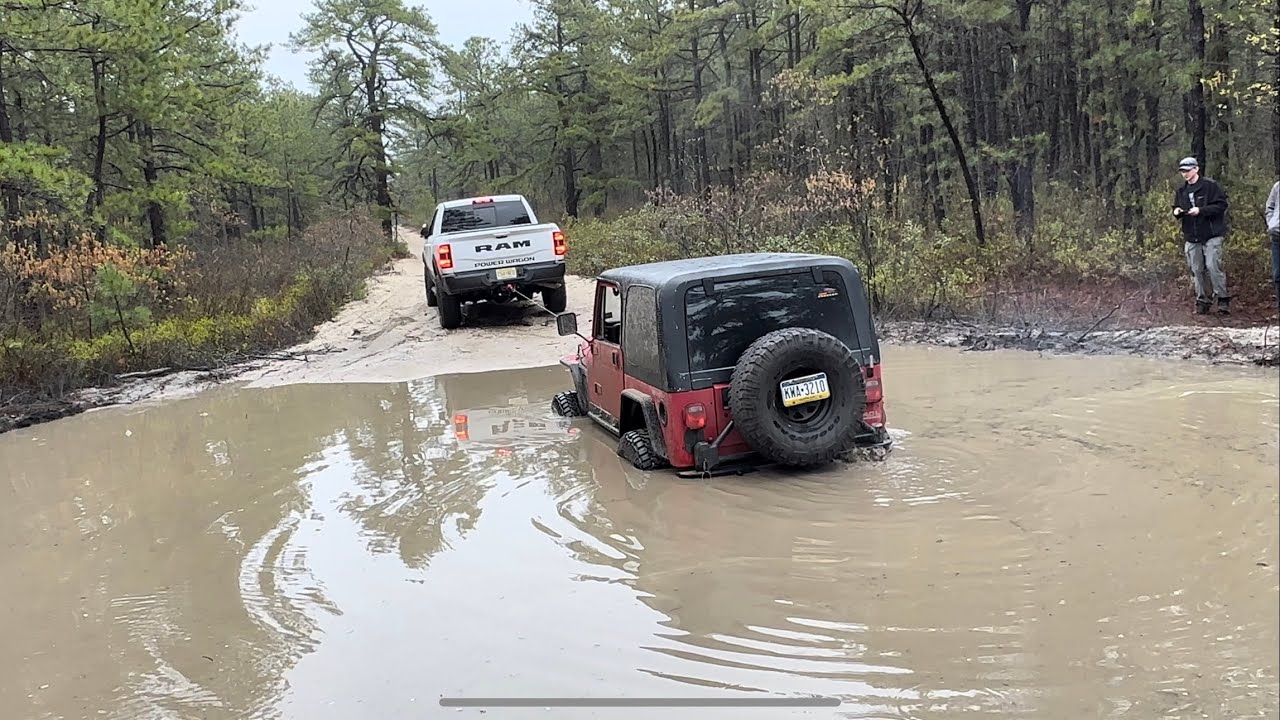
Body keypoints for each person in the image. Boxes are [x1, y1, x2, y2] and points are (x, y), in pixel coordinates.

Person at [1171, 157, 1230, 314]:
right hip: (1191, 235)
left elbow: (1221, 205)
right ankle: (1202, 300)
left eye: (1187, 170)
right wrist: (1177, 212)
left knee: (1213, 266)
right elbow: (1176, 207)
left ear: (1196, 169)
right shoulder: (1181, 191)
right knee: (1196, 269)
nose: (1185, 174)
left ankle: (1222, 300)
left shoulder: (1210, 186)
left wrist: (1201, 211)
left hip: (1211, 234)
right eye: (1182, 171)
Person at [1267, 180, 1279, 306]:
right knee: (1277, 275)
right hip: (1277, 235)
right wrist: (1272, 223)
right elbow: (1270, 207)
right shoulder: (1277, 186)